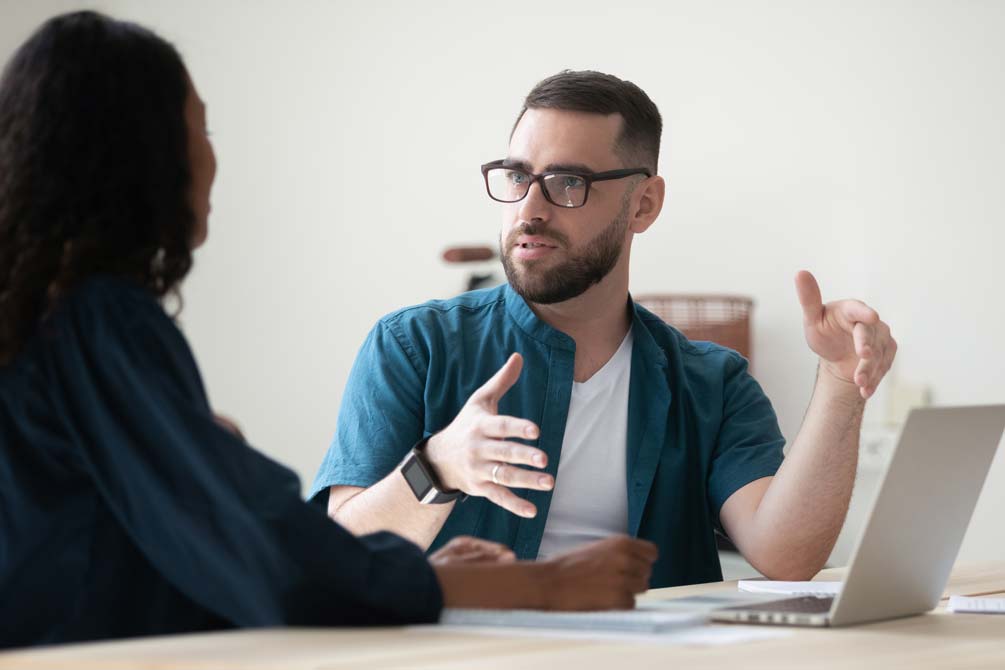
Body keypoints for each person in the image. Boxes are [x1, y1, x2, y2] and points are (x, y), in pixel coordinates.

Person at [0, 14, 658, 650]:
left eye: (568, 181)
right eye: (200, 130)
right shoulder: (95, 322)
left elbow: (203, 557)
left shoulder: (51, 318)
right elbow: (266, 558)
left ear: (644, 204)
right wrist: (534, 585)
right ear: (141, 159)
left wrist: (428, 578)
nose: (212, 158)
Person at [311, 70, 897, 588]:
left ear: (644, 205)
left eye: (568, 182)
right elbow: (338, 557)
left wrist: (840, 381)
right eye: (516, 177)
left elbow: (787, 557)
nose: (529, 210)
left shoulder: (711, 383)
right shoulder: (414, 347)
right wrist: (436, 467)